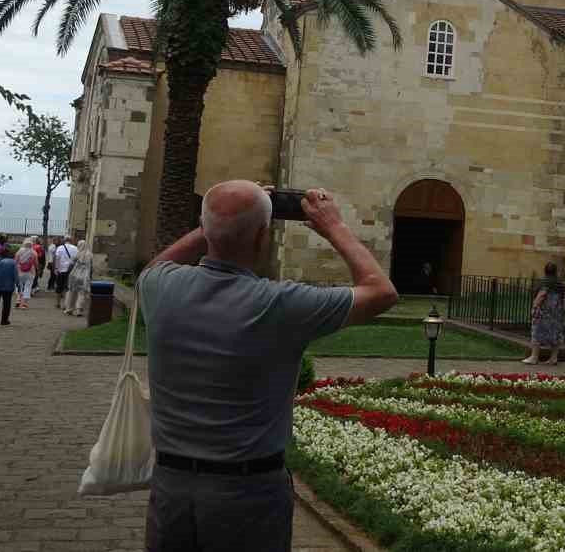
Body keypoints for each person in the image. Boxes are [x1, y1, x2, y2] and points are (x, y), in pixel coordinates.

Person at [138, 181, 397, 551]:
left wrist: (215, 222)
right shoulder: (280, 305)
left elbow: (155, 266)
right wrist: (334, 227)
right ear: (263, 236)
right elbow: (381, 292)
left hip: (170, 488)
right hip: (247, 492)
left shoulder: (160, 288)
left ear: (204, 227)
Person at [523, 262, 565, 366]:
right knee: (556, 335)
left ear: (545, 271)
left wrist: (534, 307)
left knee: (537, 333)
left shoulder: (544, 282)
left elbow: (542, 295)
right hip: (557, 314)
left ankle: (534, 357)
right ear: (555, 271)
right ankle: (553, 358)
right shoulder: (560, 284)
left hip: (543, 313)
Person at [62, 241, 93, 317]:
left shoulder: (77, 254)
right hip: (84, 276)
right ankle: (78, 310)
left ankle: (69, 308)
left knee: (72, 292)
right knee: (82, 293)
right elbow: (92, 268)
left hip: (74, 275)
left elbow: (71, 264)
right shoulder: (90, 255)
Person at [14, 235, 38, 309]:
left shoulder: (19, 251)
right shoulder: (34, 252)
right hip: (30, 271)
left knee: (19, 285)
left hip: (19, 270)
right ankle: (24, 303)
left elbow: (15, 261)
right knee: (28, 286)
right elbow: (36, 263)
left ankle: (18, 300)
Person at [51, 236, 76, 305]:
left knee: (59, 287)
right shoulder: (75, 248)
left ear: (64, 241)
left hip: (61, 270)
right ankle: (66, 304)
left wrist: (56, 268)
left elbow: (57, 259)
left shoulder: (60, 248)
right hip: (71, 271)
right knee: (67, 288)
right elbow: (76, 259)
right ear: (71, 240)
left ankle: (58, 303)